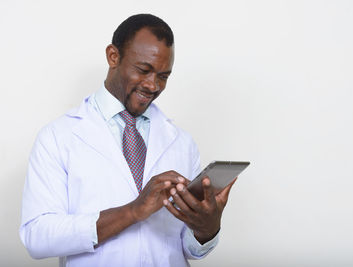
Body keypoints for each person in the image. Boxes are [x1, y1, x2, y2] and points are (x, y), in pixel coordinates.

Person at [19, 14, 236, 267]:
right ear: (113, 56)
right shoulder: (58, 137)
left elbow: (187, 249)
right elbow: (37, 236)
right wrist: (132, 211)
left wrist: (206, 228)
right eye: (143, 70)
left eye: (163, 76)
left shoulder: (181, 142)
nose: (153, 85)